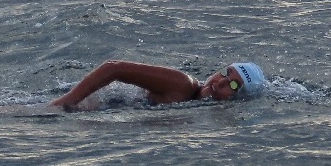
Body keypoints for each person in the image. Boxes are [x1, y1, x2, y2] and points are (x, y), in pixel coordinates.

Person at [49, 59, 266, 110]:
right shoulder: (184, 85)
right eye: (224, 73)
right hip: (76, 109)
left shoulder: (195, 104)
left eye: (234, 86)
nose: (220, 83)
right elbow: (113, 68)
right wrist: (63, 105)